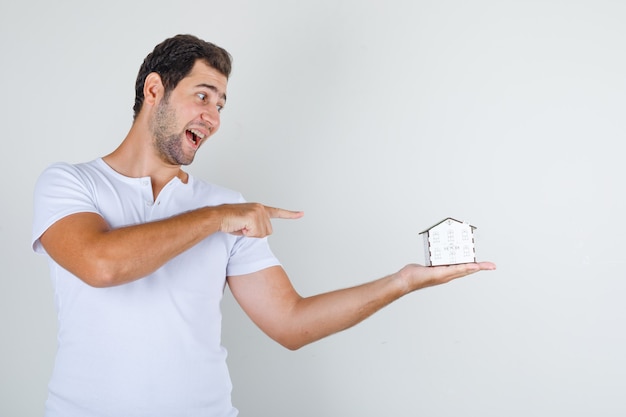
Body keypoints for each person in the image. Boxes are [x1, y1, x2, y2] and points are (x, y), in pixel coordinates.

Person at [32, 34, 496, 417]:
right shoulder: (71, 183)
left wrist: (402, 282)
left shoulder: (226, 204)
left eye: (221, 105)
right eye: (202, 96)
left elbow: (290, 323)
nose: (213, 118)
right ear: (154, 90)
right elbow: (100, 265)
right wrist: (215, 219)